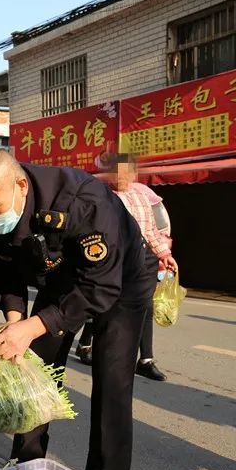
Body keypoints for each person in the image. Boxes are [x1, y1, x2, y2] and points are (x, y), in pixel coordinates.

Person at [0, 148, 157, 470]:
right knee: (34, 367)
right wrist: (16, 320)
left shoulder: (81, 200)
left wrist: (35, 326)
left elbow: (100, 287)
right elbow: (4, 270)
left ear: (21, 185)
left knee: (112, 381)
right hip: (60, 278)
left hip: (120, 280)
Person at [75, 154, 178, 381]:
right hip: (112, 261)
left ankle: (145, 360)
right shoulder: (99, 197)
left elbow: (150, 229)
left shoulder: (142, 196)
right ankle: (89, 345)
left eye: (125, 173)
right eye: (116, 172)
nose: (121, 178)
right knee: (103, 305)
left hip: (144, 260)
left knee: (144, 307)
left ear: (133, 174)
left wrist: (165, 254)